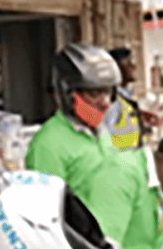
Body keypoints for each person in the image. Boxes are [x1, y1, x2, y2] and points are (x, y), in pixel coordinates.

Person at [25, 43, 123, 206]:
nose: (105, 103)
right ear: (68, 94)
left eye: (108, 92)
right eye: (94, 93)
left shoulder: (100, 130)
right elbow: (45, 208)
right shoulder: (49, 143)